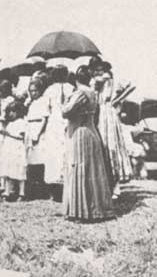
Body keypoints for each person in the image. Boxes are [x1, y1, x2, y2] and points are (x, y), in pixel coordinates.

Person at [62, 66, 114, 222]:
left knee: (80, 168)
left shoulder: (79, 93)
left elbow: (66, 112)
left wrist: (64, 101)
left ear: (76, 79)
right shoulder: (92, 92)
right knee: (93, 171)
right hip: (91, 131)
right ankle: (96, 208)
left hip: (80, 133)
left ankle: (82, 210)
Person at [92, 60, 133, 199]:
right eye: (96, 70)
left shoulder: (107, 79)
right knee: (103, 148)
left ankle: (115, 187)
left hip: (108, 115)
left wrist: (118, 100)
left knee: (110, 146)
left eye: (100, 69)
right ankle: (108, 186)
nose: (98, 72)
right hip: (99, 115)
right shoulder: (97, 82)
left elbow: (130, 86)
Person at [42, 65, 74, 200]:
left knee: (54, 153)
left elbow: (46, 109)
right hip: (66, 121)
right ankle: (67, 185)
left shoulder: (49, 90)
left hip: (54, 122)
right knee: (65, 151)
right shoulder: (71, 88)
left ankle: (55, 190)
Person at [24, 78, 49, 198]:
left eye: (35, 91)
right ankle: (32, 189)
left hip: (38, 128)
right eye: (31, 91)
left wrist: (37, 134)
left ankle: (41, 189)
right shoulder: (31, 102)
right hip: (30, 127)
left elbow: (44, 118)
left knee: (39, 160)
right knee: (31, 160)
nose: (33, 93)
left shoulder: (43, 101)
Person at [0, 101, 27, 201]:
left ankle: (21, 193)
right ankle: (7, 191)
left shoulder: (21, 122)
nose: (11, 114)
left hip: (17, 148)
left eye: (13, 111)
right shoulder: (10, 123)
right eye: (9, 111)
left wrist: (8, 134)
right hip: (9, 148)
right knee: (8, 169)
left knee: (19, 169)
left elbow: (21, 137)